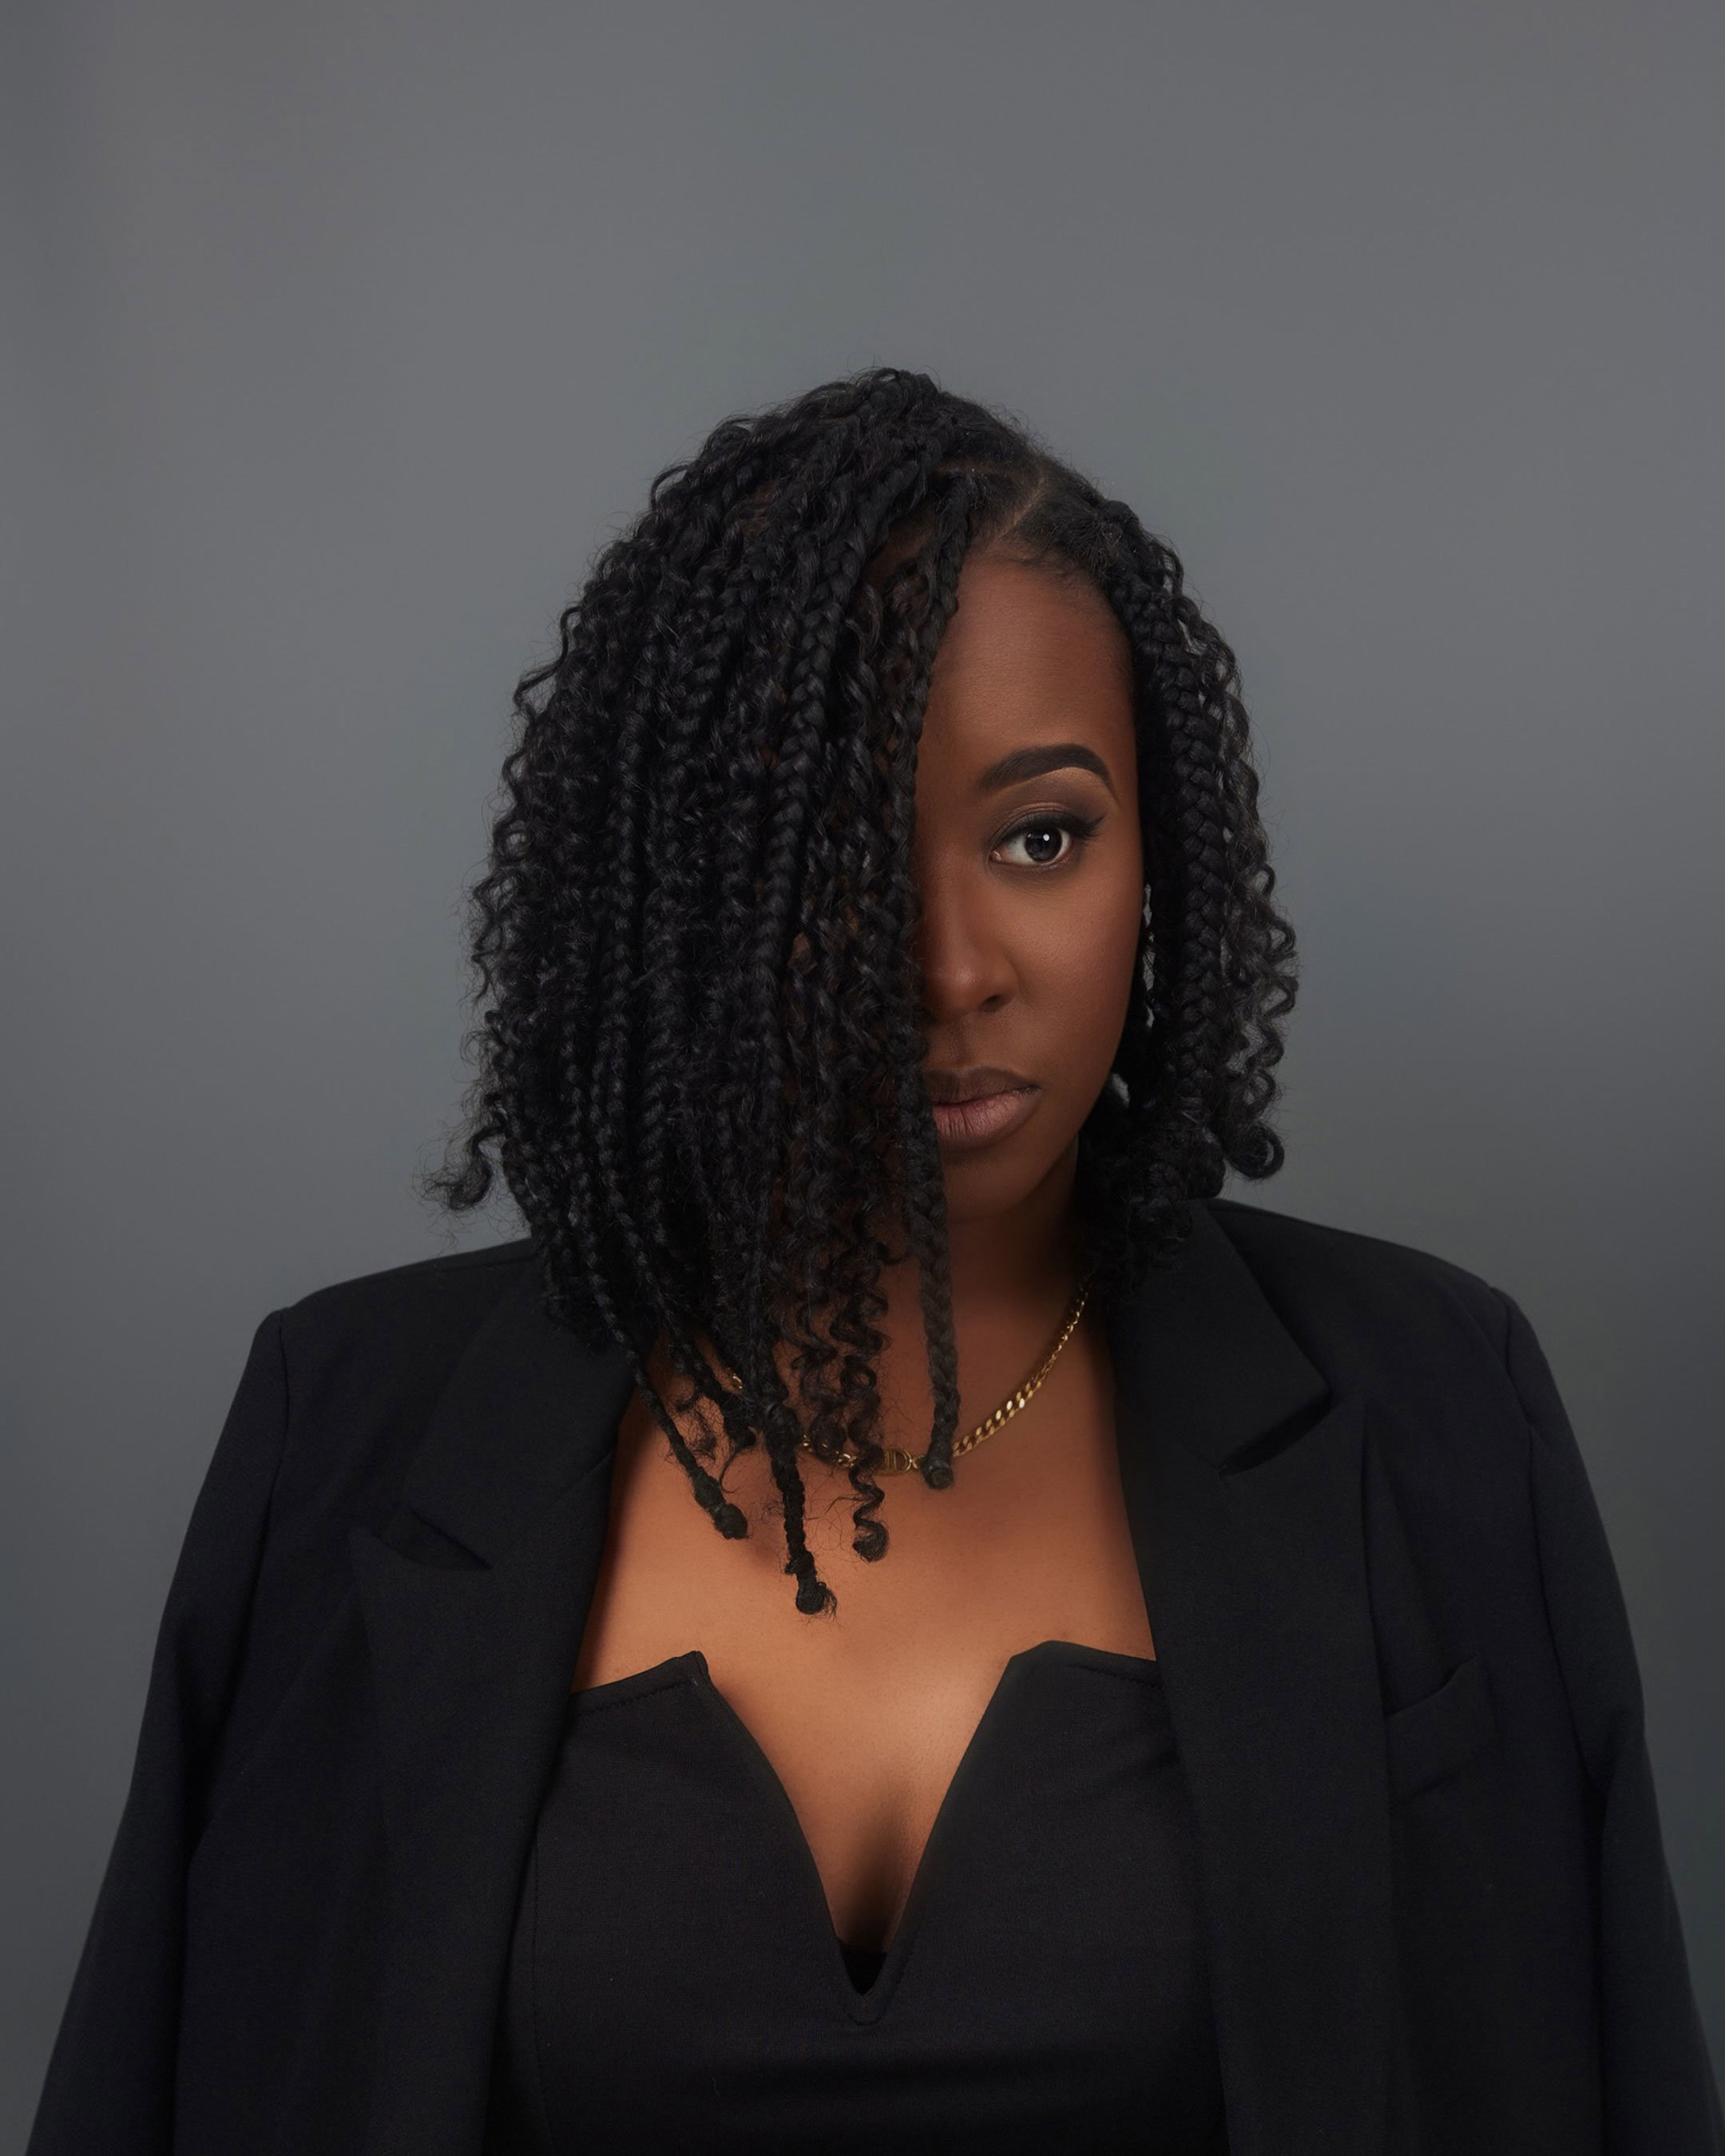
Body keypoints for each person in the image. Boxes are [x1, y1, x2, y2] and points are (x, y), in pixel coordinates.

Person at [28, 367, 1721, 2154]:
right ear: (681, 887)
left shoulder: (1442, 1406)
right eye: (830, 852)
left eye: (1042, 836)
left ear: (1159, 861)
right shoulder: (344, 1432)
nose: (956, 967)